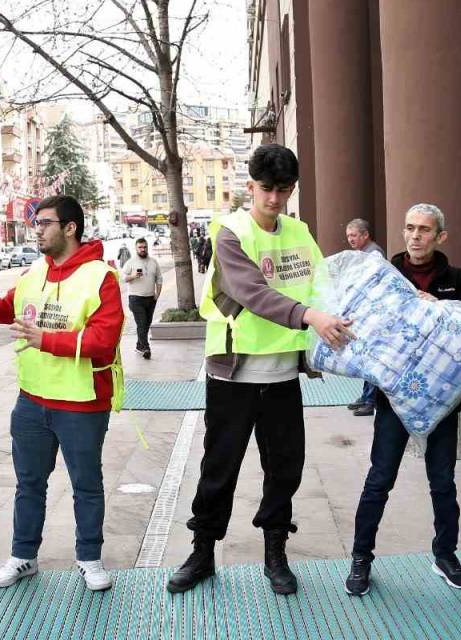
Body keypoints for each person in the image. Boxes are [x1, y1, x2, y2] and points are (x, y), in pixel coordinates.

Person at [166, 144, 352, 596]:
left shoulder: (299, 231)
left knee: (285, 469)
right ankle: (202, 552)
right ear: (249, 186)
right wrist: (311, 317)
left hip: (283, 375)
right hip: (234, 376)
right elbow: (253, 293)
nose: (274, 198)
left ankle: (276, 553)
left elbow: (322, 284)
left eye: (283, 190)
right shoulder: (230, 232)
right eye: (266, 189)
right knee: (219, 468)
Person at [0, 195, 125, 593]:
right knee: (28, 484)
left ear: (70, 228)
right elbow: (4, 309)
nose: (37, 230)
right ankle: (22, 555)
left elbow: (103, 340)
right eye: (36, 224)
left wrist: (45, 339)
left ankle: (89, 558)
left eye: (45, 223)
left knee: (86, 484)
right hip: (31, 400)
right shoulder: (33, 273)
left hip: (82, 403)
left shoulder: (102, 277)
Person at [344, 204, 461, 596]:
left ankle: (446, 555)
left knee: (443, 483)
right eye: (409, 228)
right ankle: (361, 558)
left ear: (440, 237)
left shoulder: (456, 279)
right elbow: (362, 326)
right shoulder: (385, 276)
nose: (415, 236)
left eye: (424, 230)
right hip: (394, 398)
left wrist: (444, 310)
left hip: (442, 400)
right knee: (379, 480)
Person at [343, 218, 385, 417]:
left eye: (354, 235)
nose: (350, 239)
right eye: (348, 236)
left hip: (374, 313)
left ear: (365, 235)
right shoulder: (363, 253)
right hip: (365, 311)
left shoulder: (374, 254)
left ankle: (370, 400)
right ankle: (366, 397)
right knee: (365, 357)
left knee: (371, 357)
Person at [123, 237, 163, 360]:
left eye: (144, 247)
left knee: (146, 323)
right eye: (140, 247)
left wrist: (157, 294)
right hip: (135, 298)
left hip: (150, 298)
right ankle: (146, 348)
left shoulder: (153, 262)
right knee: (141, 323)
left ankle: (139, 345)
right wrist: (133, 276)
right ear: (136, 248)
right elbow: (123, 278)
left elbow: (159, 278)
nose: (143, 249)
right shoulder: (131, 262)